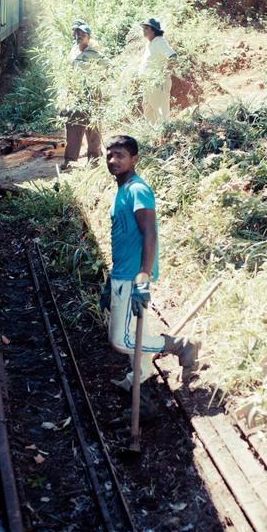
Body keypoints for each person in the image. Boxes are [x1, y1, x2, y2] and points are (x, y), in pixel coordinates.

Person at [100, 136, 199, 405]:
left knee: (120, 341)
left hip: (133, 275)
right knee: (131, 331)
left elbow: (150, 233)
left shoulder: (137, 189)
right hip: (122, 272)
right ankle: (139, 377)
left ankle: (180, 345)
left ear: (135, 159)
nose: (113, 161)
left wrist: (143, 273)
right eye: (109, 155)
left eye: (120, 155)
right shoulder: (122, 189)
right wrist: (112, 278)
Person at [63, 23, 105, 167]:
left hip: (91, 93)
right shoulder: (74, 50)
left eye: (83, 35)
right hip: (76, 93)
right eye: (77, 34)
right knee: (73, 125)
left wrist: (97, 80)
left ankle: (94, 160)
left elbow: (109, 67)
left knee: (93, 127)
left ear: (89, 37)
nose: (79, 37)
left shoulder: (94, 53)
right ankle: (70, 160)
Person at [138, 18, 177, 125]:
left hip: (157, 83)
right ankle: (154, 138)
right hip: (148, 84)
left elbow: (172, 56)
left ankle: (165, 136)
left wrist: (166, 72)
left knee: (161, 113)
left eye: (146, 28)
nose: (144, 31)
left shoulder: (159, 41)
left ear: (154, 30)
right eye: (143, 28)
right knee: (149, 112)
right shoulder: (150, 44)